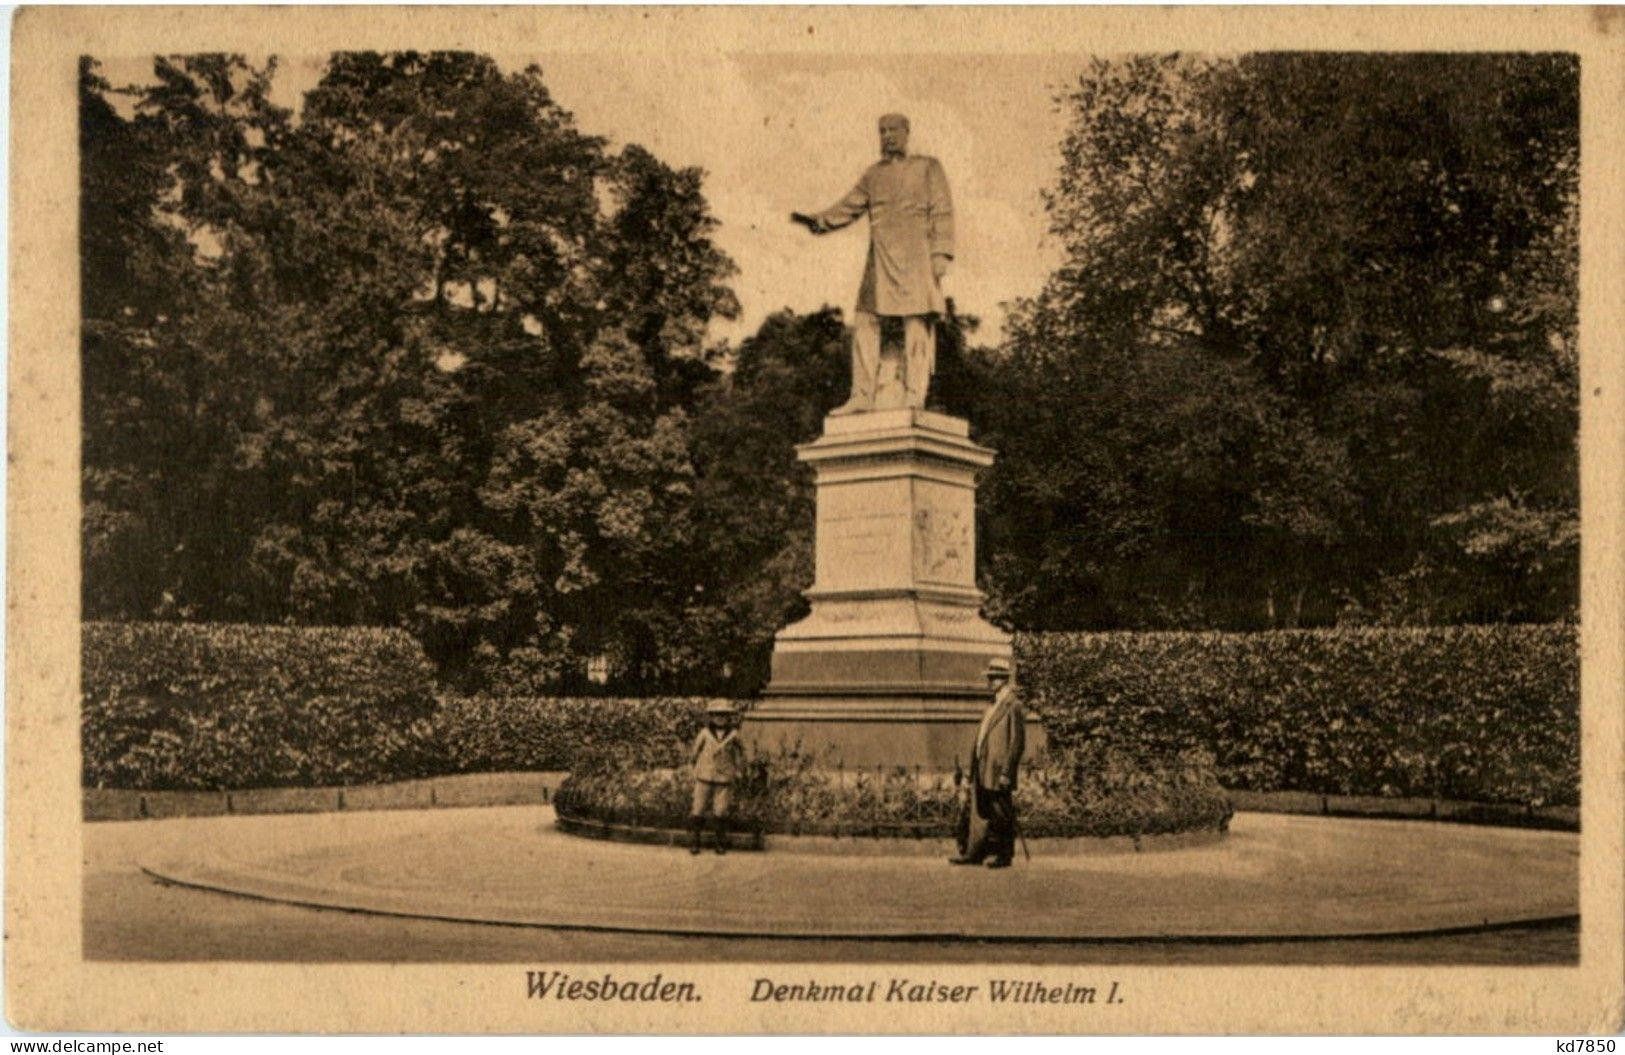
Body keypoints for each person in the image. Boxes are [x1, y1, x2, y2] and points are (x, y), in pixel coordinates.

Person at [794, 113, 954, 413]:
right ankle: (862, 395)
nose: (888, 136)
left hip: (916, 255)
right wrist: (820, 221)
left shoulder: (927, 167)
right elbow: (849, 205)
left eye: (894, 130)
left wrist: (941, 253)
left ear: (907, 132)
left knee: (915, 322)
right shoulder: (873, 175)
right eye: (882, 131)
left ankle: (914, 394)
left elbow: (942, 210)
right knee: (865, 320)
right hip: (879, 257)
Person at [950, 657, 1025, 868]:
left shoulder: (1013, 705)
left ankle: (1005, 855)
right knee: (980, 812)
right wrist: (972, 765)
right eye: (990, 677)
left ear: (1005, 679)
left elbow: (1017, 743)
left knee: (1001, 812)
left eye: (995, 677)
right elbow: (981, 737)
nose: (990, 681)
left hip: (998, 769)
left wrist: (1007, 772)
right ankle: (975, 853)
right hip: (983, 766)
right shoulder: (991, 704)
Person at [689, 700, 744, 855]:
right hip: (704, 775)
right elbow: (695, 752)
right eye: (717, 715)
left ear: (729, 718)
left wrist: (738, 768)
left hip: (724, 777)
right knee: (698, 809)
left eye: (724, 715)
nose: (720, 718)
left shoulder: (734, 735)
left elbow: (741, 753)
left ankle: (719, 843)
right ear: (711, 717)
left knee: (720, 811)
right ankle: (695, 843)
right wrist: (693, 766)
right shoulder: (705, 733)